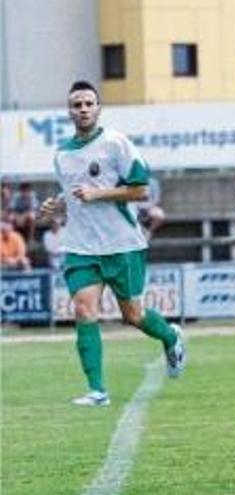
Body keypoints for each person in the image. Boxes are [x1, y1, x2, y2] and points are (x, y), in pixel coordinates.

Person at [40, 80, 186, 407]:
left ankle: (171, 336)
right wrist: (55, 207)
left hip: (122, 244)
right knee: (82, 309)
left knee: (133, 315)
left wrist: (99, 193)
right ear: (69, 111)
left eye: (88, 103)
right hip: (80, 247)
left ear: (98, 108)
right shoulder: (62, 154)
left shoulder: (115, 143)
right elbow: (73, 198)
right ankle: (97, 391)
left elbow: (141, 190)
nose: (83, 109)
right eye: (77, 104)